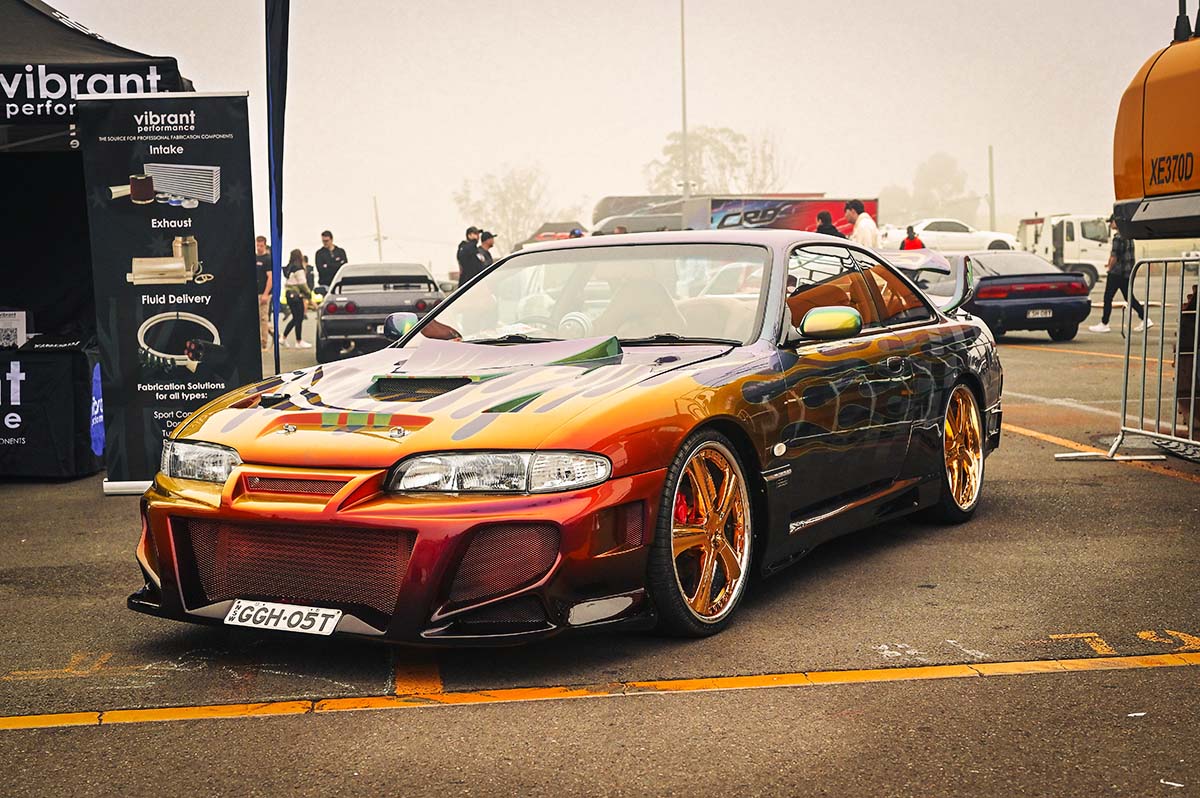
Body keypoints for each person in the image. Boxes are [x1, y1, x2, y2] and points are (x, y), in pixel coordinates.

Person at [1089, 218, 1151, 333]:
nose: (1110, 224)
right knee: (1129, 297)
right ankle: (1145, 318)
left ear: (1117, 222)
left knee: (1108, 297)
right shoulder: (1129, 237)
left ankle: (1104, 323)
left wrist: (1109, 267)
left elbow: (1114, 256)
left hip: (1116, 273)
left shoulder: (1117, 237)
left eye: (1111, 221)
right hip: (1127, 273)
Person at [281, 249, 313, 348]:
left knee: (296, 318)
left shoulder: (289, 268)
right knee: (299, 318)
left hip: (289, 294)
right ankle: (299, 341)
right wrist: (309, 294)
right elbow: (302, 283)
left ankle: (283, 337)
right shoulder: (299, 268)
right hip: (296, 295)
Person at [254, 236, 272, 349]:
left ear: (265, 245)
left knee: (263, 318)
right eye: (257, 245)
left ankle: (264, 342)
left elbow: (270, 278)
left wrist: (266, 293)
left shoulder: (267, 259)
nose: (259, 248)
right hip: (255, 291)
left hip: (263, 292)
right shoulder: (254, 257)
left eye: (261, 246)